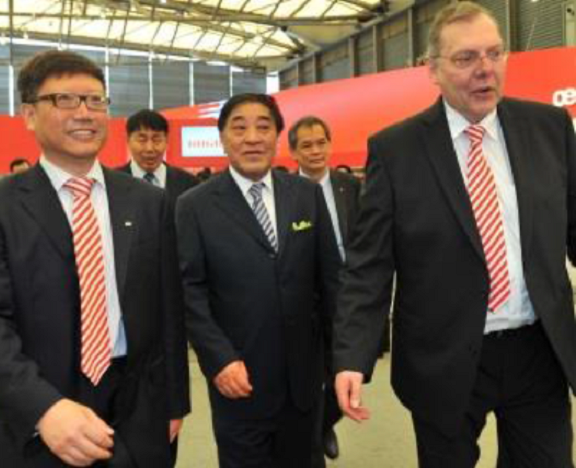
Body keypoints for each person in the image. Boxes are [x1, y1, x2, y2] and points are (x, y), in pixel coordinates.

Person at [334, 2, 576, 467]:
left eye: (494, 53)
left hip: (538, 349)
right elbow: (369, 266)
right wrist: (351, 357)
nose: (485, 70)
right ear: (432, 69)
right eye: (466, 58)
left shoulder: (548, 128)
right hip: (444, 355)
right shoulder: (396, 150)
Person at [0, 50, 189, 467]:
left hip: (137, 413)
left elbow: (168, 308)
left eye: (95, 100)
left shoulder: (148, 202)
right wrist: (43, 408)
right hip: (38, 415)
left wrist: (174, 402)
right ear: (29, 114)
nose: (85, 113)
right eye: (65, 100)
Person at [175, 93, 341, 468]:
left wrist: (341, 362)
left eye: (263, 127)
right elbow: (189, 292)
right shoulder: (194, 206)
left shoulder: (306, 195)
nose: (252, 137)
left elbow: (331, 282)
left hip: (303, 382)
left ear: (277, 137)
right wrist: (219, 359)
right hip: (239, 381)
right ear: (223, 138)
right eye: (239, 127)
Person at [117, 108, 195, 467]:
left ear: (167, 141)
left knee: (166, 409)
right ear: (128, 140)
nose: (150, 147)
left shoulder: (188, 186)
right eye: (141, 138)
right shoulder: (112, 185)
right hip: (129, 306)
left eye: (157, 138)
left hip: (181, 299)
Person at [288, 115, 361, 466]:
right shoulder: (286, 192)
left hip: (349, 298)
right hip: (306, 302)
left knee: (354, 368)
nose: (315, 151)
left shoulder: (351, 186)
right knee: (313, 374)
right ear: (293, 152)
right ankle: (316, 429)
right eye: (306, 145)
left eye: (321, 143)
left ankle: (323, 423)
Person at [118, 109, 199, 205]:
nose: (149, 149)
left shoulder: (189, 184)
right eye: (142, 140)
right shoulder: (114, 184)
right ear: (128, 140)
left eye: (157, 140)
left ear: (167, 141)